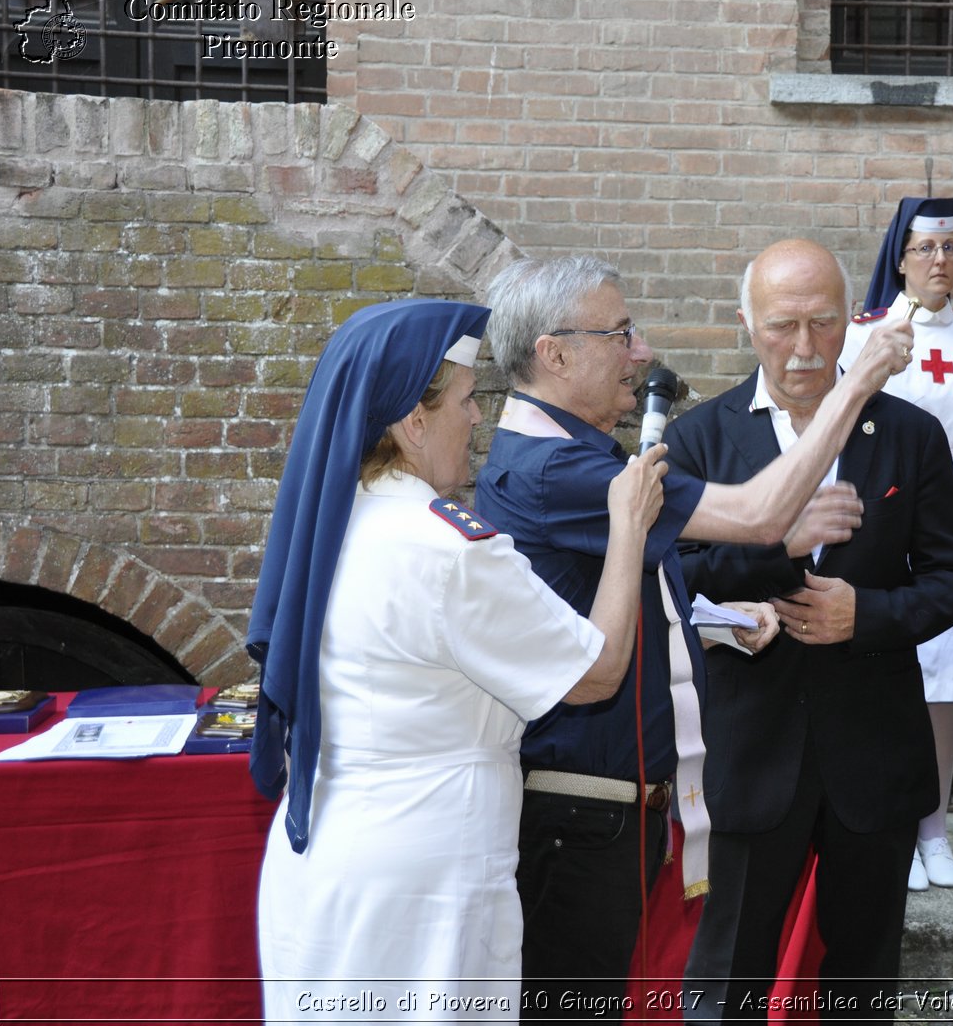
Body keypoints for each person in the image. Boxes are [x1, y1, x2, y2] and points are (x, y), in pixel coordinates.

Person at [472, 255, 916, 1018]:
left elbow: (609, 598)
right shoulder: (559, 470)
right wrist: (858, 382)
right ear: (555, 353)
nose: (640, 352)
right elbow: (758, 515)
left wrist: (707, 629)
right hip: (583, 810)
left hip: (604, 803)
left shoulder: (570, 457)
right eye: (619, 334)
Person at [248, 299, 668, 1022]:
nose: (478, 419)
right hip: (424, 878)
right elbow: (595, 671)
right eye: (469, 400)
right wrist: (626, 527)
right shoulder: (446, 547)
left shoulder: (337, 522)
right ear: (415, 419)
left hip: (328, 857)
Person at [669, 238, 953, 1021]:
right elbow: (676, 577)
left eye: (824, 323)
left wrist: (864, 615)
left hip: (871, 751)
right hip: (747, 752)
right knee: (726, 982)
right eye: (782, 326)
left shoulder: (908, 433)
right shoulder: (700, 439)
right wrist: (771, 546)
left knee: (863, 986)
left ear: (853, 319)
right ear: (746, 322)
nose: (805, 349)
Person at [841, 195, 953, 891]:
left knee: (946, 683)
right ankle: (891, 827)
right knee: (892, 676)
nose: (942, 262)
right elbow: (844, 422)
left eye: (952, 248)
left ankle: (934, 828)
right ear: (900, 257)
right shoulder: (869, 334)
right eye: (927, 249)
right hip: (888, 510)